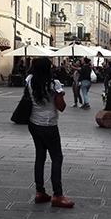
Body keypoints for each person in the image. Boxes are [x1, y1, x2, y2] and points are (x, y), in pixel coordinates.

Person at [26, 57, 74, 208]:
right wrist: (60, 95)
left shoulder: (29, 80)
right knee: (57, 158)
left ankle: (39, 191)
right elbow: (61, 107)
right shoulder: (54, 84)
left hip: (33, 123)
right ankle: (57, 194)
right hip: (49, 124)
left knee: (40, 157)